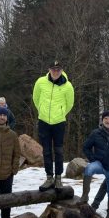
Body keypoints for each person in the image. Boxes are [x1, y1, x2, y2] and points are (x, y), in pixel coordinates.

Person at [33, 60, 75, 191]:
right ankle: (49, 177)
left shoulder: (68, 86)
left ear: (62, 70)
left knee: (58, 151)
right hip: (44, 121)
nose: (55, 72)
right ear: (49, 69)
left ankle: (58, 178)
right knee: (46, 150)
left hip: (59, 122)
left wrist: (61, 113)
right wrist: (41, 110)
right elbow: (35, 98)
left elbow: (70, 104)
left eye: (58, 69)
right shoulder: (40, 82)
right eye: (53, 69)